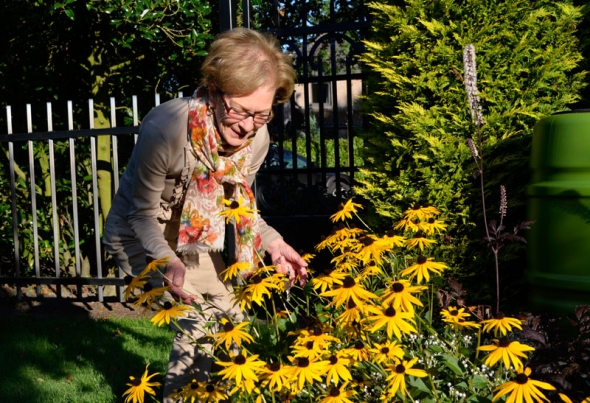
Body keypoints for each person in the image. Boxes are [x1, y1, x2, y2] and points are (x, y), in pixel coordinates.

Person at [102, 27, 308, 401]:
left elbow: (242, 209)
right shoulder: (166, 128)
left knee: (234, 326)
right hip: (138, 233)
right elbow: (141, 213)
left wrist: (274, 245)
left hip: (195, 241)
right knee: (199, 325)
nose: (247, 126)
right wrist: (165, 260)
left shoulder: (256, 141)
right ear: (213, 92)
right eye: (240, 111)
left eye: (261, 115)